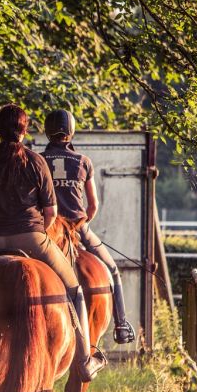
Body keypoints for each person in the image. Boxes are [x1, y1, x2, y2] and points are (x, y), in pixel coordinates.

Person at [0, 103, 106, 382]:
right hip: (32, 239)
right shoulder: (36, 162)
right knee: (74, 289)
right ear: (24, 131)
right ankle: (85, 359)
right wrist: (37, 232)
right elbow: (50, 213)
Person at [41, 109, 135, 344]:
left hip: (46, 231)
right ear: (71, 132)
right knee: (112, 269)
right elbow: (93, 205)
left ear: (47, 132)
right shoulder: (83, 161)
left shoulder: (38, 160)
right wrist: (83, 226)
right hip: (78, 229)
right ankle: (122, 325)